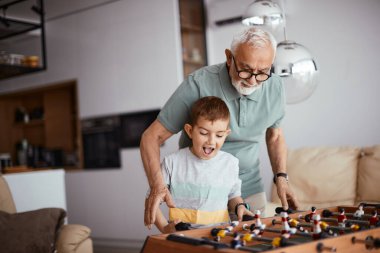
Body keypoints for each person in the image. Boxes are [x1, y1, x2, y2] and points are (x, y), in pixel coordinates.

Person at [140, 27, 299, 228]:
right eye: (246, 69)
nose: (252, 80)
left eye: (262, 72)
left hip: (247, 186)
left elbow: (275, 135)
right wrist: (157, 186)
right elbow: (151, 137)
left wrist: (281, 178)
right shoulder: (199, 84)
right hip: (197, 190)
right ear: (229, 58)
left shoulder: (274, 87)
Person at [150, 96, 254, 233]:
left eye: (219, 135)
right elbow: (153, 201)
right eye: (204, 133)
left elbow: (233, 195)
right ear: (189, 131)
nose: (211, 141)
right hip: (184, 237)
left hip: (221, 234)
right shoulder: (172, 162)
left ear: (226, 134)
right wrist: (165, 228)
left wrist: (240, 206)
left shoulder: (231, 163)